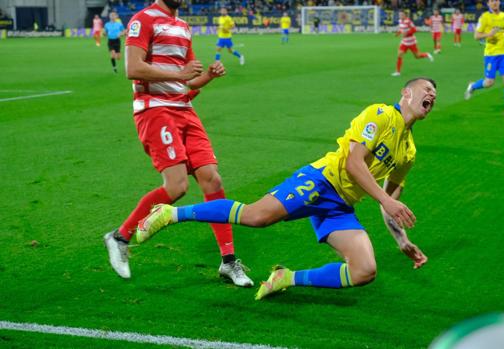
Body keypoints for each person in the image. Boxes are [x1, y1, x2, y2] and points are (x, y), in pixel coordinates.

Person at [135, 77, 436, 300]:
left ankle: (285, 277)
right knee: (256, 217)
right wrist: (386, 199)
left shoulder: (408, 152)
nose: (431, 97)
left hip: (341, 205)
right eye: (426, 91)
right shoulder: (381, 115)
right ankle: (171, 213)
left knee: (364, 271)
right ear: (406, 92)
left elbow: (390, 203)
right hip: (321, 181)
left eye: (434, 96)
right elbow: (354, 163)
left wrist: (401, 240)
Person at [103, 0, 253, 287]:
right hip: (155, 109)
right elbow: (133, 68)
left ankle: (229, 261)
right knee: (177, 187)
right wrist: (179, 75)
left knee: (212, 179)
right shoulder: (143, 20)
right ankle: (120, 236)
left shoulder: (182, 26)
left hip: (184, 109)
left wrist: (208, 75)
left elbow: (191, 80)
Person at [464, 0, 504, 116]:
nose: (494, 3)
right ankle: (473, 86)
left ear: (499, 2)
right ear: (488, 4)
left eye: (496, 1)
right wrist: (488, 35)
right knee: (489, 82)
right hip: (491, 55)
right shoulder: (484, 17)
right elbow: (476, 36)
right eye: (492, 1)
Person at [392, 11, 433, 77]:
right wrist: (398, 33)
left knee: (417, 56)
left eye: (402, 15)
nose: (400, 16)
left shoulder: (408, 21)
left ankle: (426, 55)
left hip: (411, 42)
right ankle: (398, 72)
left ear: (405, 15)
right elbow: (401, 29)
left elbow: (414, 29)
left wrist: (407, 33)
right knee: (399, 55)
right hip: (404, 42)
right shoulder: (400, 21)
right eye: (400, 15)